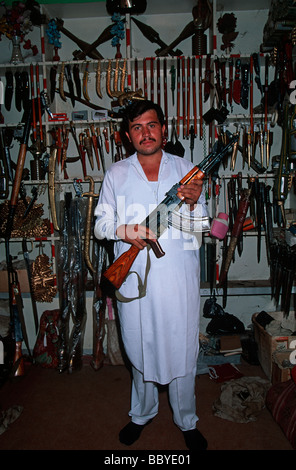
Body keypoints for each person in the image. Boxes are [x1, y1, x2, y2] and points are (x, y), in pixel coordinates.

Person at [94, 100, 208, 451]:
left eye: (152, 125)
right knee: (141, 349)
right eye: (138, 127)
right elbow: (101, 227)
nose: (146, 133)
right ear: (128, 135)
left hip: (178, 280)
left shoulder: (187, 169)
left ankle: (186, 420)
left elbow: (203, 227)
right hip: (135, 279)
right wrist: (128, 231)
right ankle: (141, 414)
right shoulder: (116, 174)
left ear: (164, 128)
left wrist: (193, 200)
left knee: (182, 350)